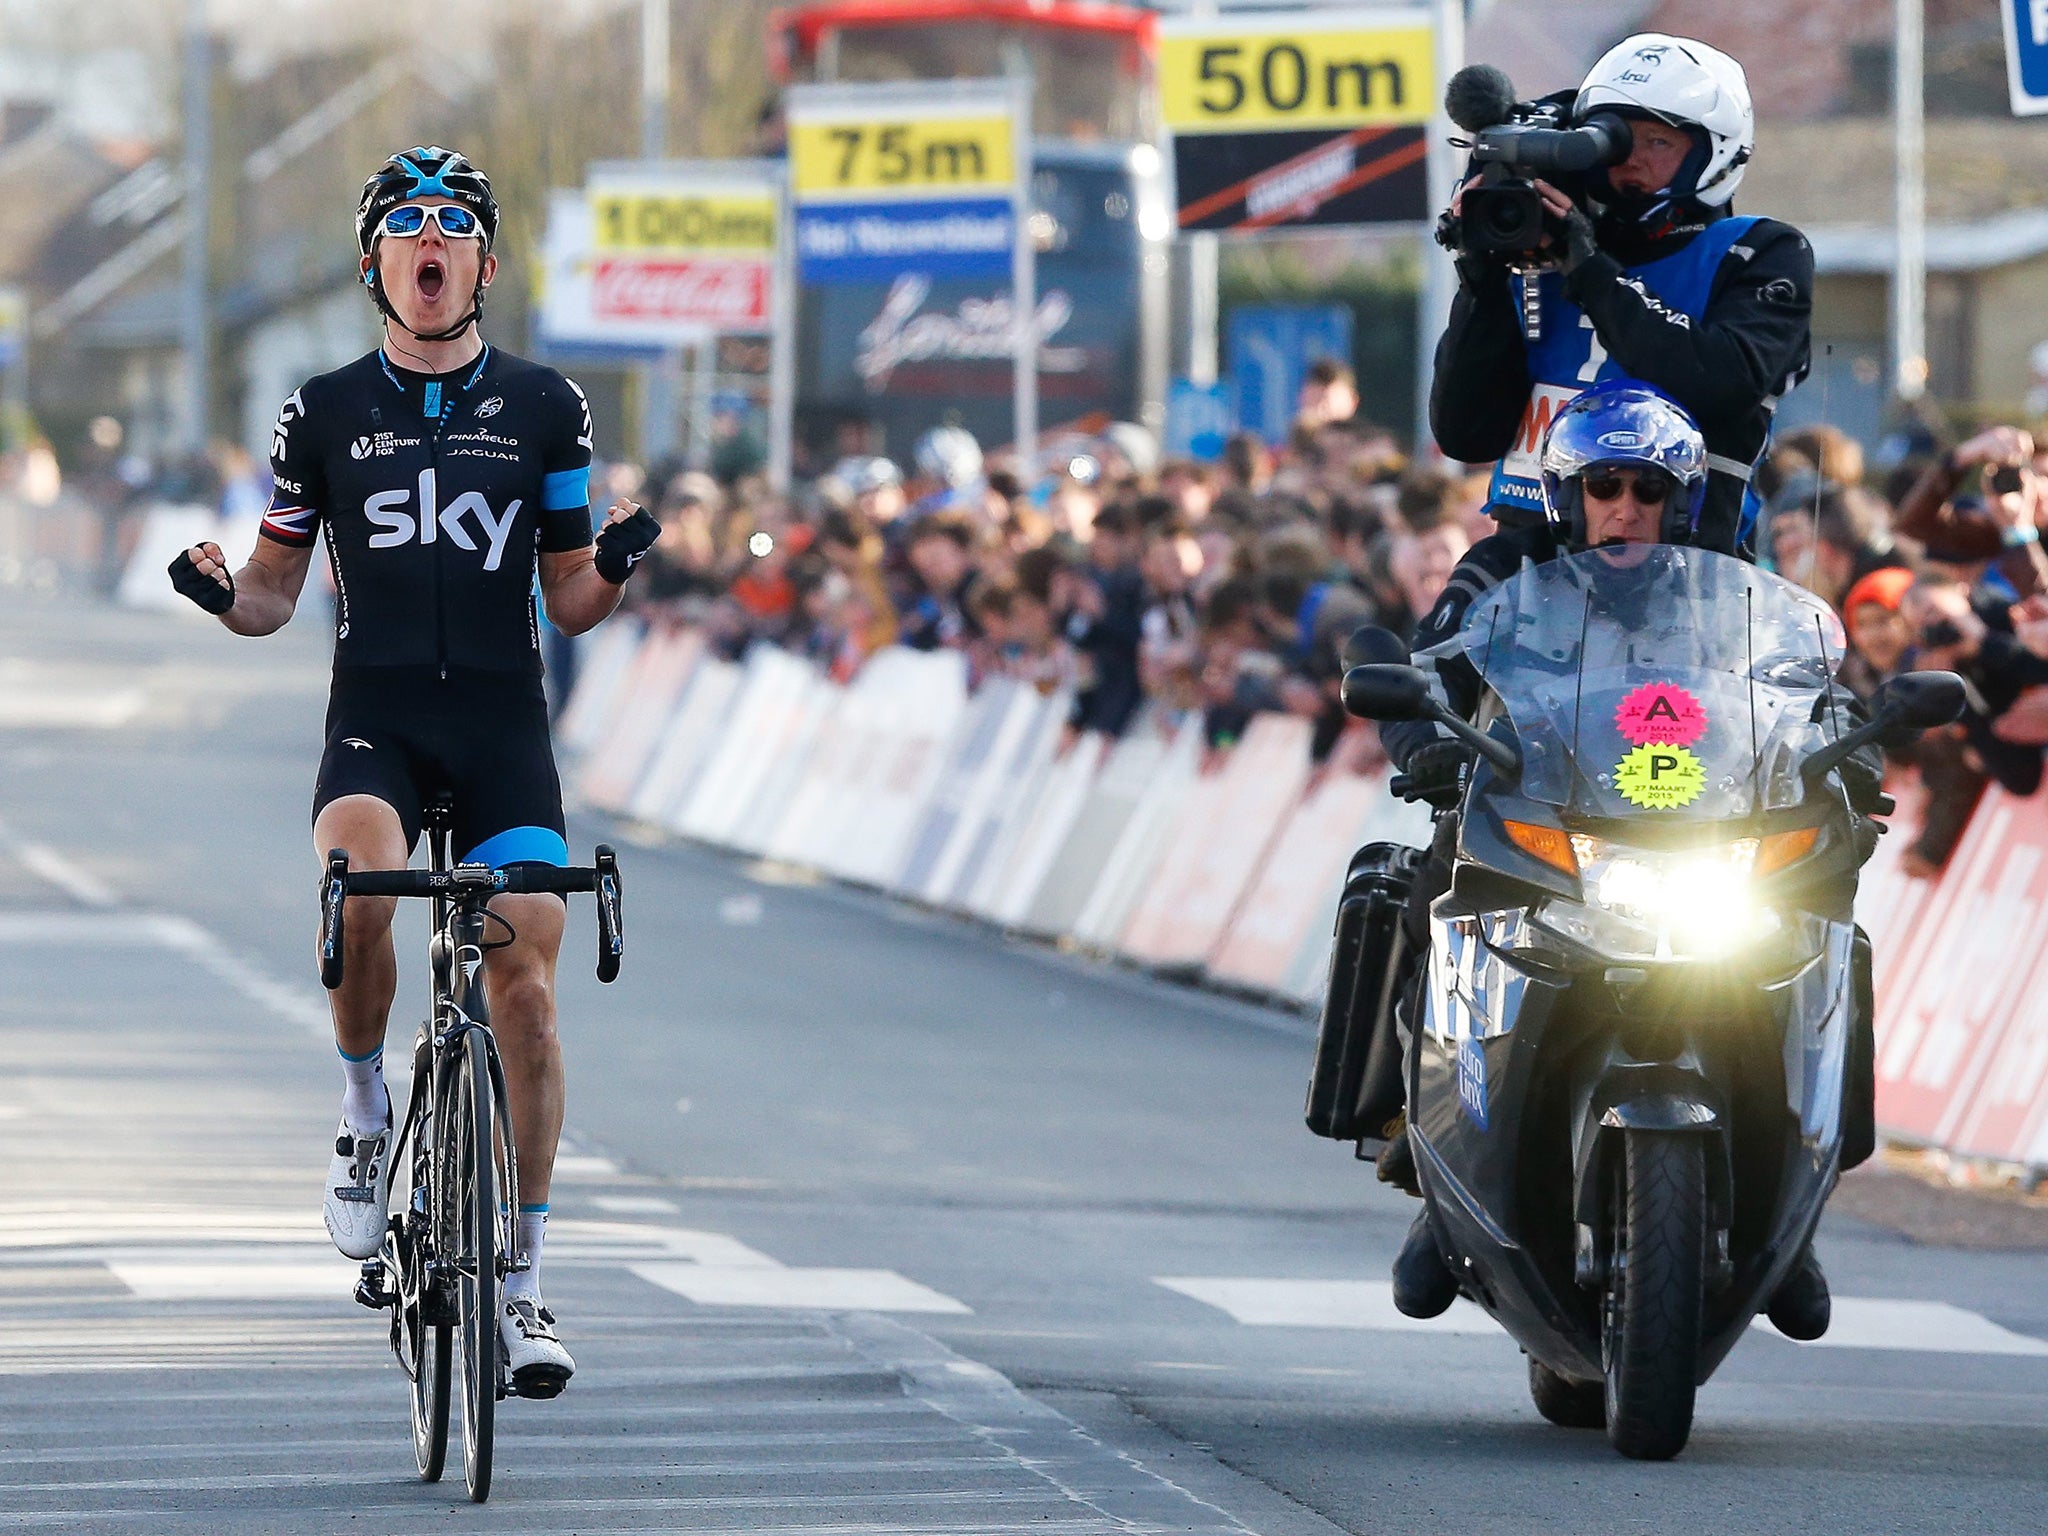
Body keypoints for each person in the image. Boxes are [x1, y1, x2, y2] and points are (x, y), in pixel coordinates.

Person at [165, 147, 660, 1399]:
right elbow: (275, 596)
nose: (428, 245)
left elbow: (569, 597)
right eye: (405, 228)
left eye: (453, 229)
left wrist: (616, 562)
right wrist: (226, 596)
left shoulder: (549, 406)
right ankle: (361, 1115)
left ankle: (526, 1287)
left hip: (503, 734)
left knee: (529, 990)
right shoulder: (322, 410)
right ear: (376, 264)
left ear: (483, 265)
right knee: (362, 882)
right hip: (376, 721)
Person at [1372, 382, 1871, 1341]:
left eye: (1649, 489)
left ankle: (1797, 1213)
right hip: (1540, 823)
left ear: (1681, 498)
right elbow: (1429, 671)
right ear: (1568, 493)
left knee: (1835, 930)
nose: (1628, 508)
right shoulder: (1499, 567)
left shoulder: (1727, 580)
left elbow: (1811, 693)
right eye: (1607, 486)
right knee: (1428, 895)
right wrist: (1425, 744)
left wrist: (1854, 751)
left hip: (1706, 840)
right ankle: (1430, 1161)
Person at [1430, 34, 1813, 556]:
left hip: (1689, 586)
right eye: (1615, 139)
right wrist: (1484, 274)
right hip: (1533, 595)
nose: (1630, 160)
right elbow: (1466, 435)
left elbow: (1720, 382)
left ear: (1715, 153)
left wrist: (1588, 269)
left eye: (1658, 143)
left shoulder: (1759, 251)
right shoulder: (1539, 241)